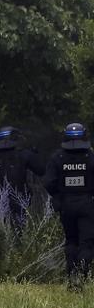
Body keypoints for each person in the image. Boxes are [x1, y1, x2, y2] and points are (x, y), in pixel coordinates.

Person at [44, 123, 94, 291]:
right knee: (87, 243)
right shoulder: (90, 156)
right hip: (87, 204)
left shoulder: (57, 158)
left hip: (66, 205)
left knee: (71, 240)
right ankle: (81, 274)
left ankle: (72, 277)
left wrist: (58, 196)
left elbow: (49, 182)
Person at [0, 126, 44, 222]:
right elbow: (41, 170)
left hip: (1, 201)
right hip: (22, 200)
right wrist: (35, 156)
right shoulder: (24, 154)